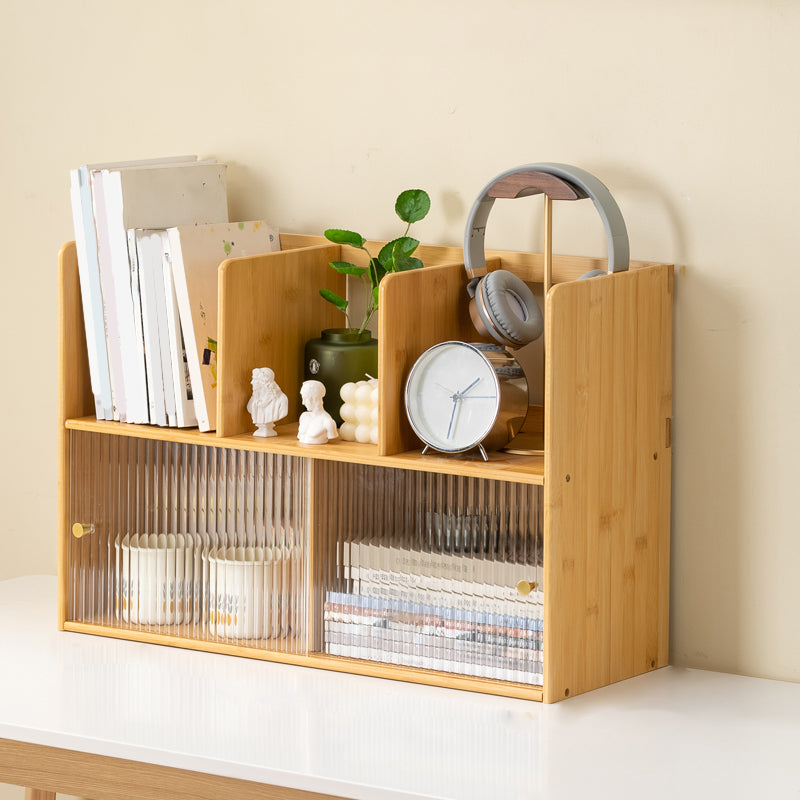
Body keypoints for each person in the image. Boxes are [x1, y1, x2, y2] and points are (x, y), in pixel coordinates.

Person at [246, 367, 288, 437]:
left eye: (255, 379)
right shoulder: (254, 399)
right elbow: (249, 408)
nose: (251, 382)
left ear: (264, 381)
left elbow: (283, 412)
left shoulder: (281, 399)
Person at [297, 380, 338, 445]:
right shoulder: (303, 416)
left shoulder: (328, 422)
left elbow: (332, 437)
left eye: (305, 398)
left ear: (315, 399)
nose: (303, 403)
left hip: (318, 452)